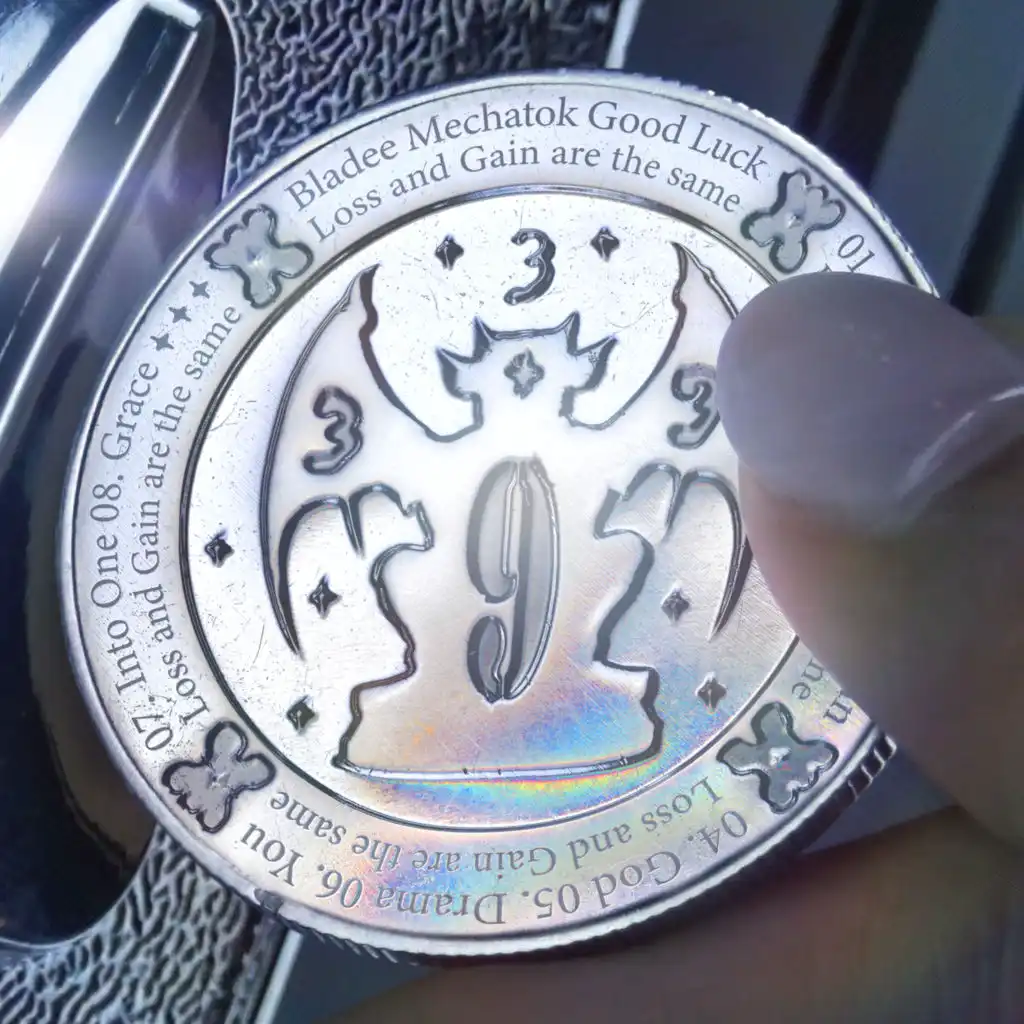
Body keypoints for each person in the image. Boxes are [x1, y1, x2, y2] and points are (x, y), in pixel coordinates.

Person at [338, 271, 1024, 1022]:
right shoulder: (459, 476)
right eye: (502, 380)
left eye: (543, 376)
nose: (523, 389)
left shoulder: (616, 465)